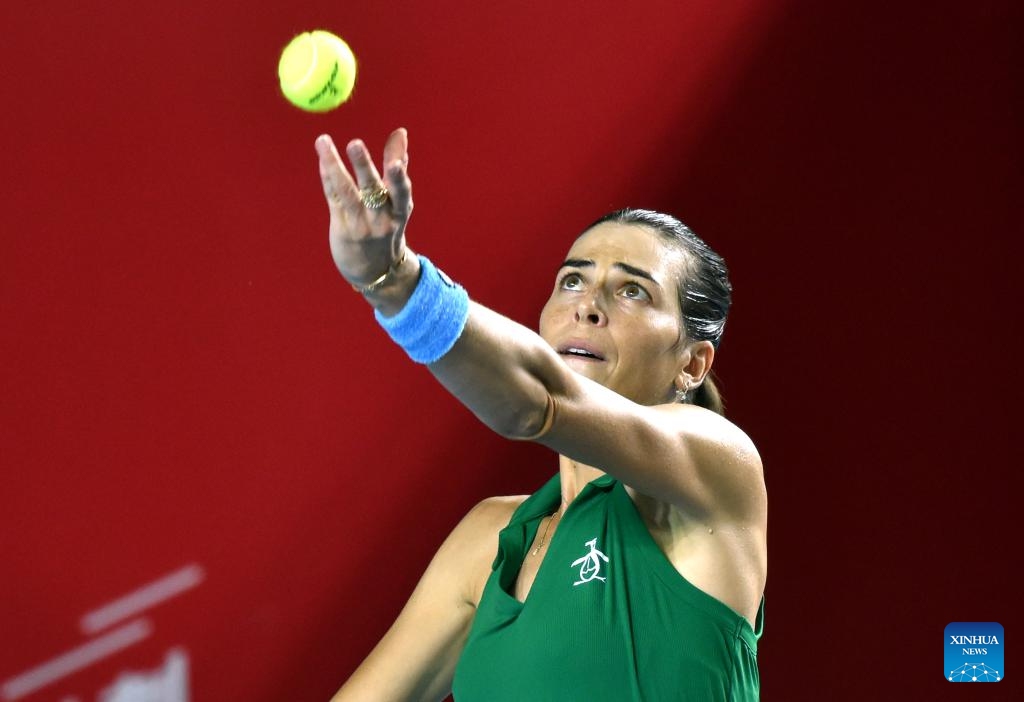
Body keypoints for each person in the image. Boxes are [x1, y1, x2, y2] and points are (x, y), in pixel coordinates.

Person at [316, 128, 767, 701]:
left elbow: (538, 403)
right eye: (572, 280)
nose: (588, 305)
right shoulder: (488, 541)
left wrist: (399, 286)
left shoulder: (719, 467)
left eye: (633, 292)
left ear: (692, 364)